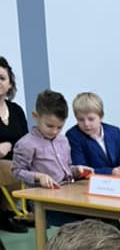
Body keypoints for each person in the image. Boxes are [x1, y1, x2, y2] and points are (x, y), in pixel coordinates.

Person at [12, 89, 94, 226]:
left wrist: (77, 170)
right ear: (35, 116)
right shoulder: (26, 144)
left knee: (102, 216)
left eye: (59, 127)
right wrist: (38, 176)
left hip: (67, 195)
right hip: (44, 202)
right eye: (49, 126)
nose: (55, 131)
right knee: (86, 222)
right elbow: (17, 172)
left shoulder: (63, 140)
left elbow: (66, 169)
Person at [66, 91, 120, 177]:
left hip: (118, 181)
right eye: (80, 119)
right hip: (89, 183)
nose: (86, 124)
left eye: (91, 119)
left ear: (101, 117)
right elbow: (81, 170)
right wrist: (110, 172)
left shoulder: (115, 132)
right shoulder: (73, 136)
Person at [0, 57, 30, 233]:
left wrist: (10, 145)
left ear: (10, 84)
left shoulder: (16, 110)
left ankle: (24, 212)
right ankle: (7, 214)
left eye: (2, 78)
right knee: (11, 169)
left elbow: (26, 140)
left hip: (17, 160)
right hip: (3, 165)